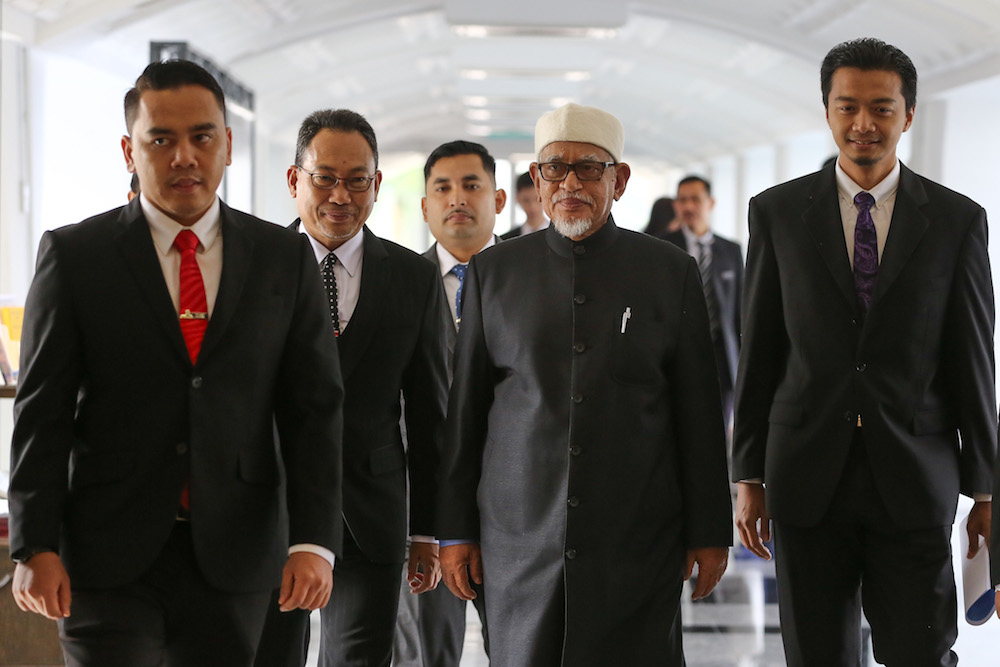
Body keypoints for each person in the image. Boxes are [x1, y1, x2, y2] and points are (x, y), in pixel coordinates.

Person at [8, 59, 344, 667]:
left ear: (228, 145)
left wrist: (314, 540)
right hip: (106, 551)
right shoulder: (76, 256)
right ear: (129, 151)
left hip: (237, 549)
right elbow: (43, 410)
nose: (184, 156)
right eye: (161, 139)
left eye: (201, 137)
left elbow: (313, 410)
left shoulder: (283, 258)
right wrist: (35, 543)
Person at [436, 102, 732, 666]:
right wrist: (454, 532)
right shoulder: (493, 272)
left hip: (637, 537)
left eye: (589, 169)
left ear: (619, 180)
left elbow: (697, 411)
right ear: (537, 178)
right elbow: (466, 411)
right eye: (555, 168)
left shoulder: (669, 271)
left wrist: (709, 530)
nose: (570, 183)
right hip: (517, 540)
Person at [734, 37, 996, 666]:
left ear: (909, 115)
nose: (863, 124)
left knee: (922, 651)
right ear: (826, 110)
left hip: (915, 475)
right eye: (847, 107)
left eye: (882, 108)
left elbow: (973, 358)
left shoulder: (956, 220)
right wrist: (747, 474)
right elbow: (760, 350)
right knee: (816, 654)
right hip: (804, 474)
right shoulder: (776, 213)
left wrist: (987, 489)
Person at [253, 109, 449, 667]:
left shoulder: (412, 277)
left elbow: (429, 413)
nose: (340, 195)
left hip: (369, 512)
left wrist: (427, 530)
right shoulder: (253, 267)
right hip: (269, 509)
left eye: (357, 180)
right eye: (324, 178)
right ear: (294, 180)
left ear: (377, 184)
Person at [393, 139, 503, 666]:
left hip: (514, 509)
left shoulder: (535, 282)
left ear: (497, 199)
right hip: (424, 508)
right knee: (424, 653)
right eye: (442, 188)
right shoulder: (398, 285)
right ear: (425, 206)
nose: (456, 198)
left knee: (523, 647)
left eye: (471, 185)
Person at [663, 176, 743, 427]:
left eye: (695, 199)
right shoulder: (661, 247)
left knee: (720, 425)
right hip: (677, 352)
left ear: (711, 203)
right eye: (682, 200)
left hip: (722, 355)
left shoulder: (731, 250)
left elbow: (740, 310)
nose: (688, 206)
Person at [500, 171, 548, 239]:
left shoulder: (561, 237)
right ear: (517, 199)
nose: (533, 207)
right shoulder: (505, 240)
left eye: (537, 199)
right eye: (526, 200)